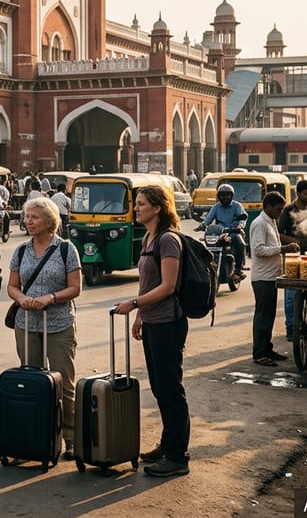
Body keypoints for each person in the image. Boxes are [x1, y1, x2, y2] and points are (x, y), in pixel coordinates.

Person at [112, 185, 189, 477]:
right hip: (154, 320)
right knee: (160, 388)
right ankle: (169, 445)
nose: (137, 208)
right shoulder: (149, 237)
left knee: (170, 389)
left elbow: (168, 286)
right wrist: (142, 314)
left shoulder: (168, 240)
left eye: (142, 204)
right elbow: (149, 284)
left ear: (158, 208)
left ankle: (178, 457)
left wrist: (133, 304)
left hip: (169, 323)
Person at [8, 197, 81, 460]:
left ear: (49, 221)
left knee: (64, 382)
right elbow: (12, 286)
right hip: (27, 323)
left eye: (34, 217)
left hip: (59, 323)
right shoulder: (20, 251)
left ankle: (71, 438)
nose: (28, 222)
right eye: (26, 217)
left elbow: (76, 288)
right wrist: (21, 299)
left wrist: (50, 298)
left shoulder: (66, 249)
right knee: (31, 381)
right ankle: (35, 435)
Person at [248, 192, 301, 366]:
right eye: (278, 209)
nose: (280, 213)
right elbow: (258, 250)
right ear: (268, 207)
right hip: (262, 277)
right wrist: (282, 248)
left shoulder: (271, 221)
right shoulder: (259, 223)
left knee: (269, 315)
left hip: (271, 276)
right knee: (263, 316)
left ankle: (267, 348)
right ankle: (259, 353)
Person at [278, 180, 307, 341]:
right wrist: (293, 240)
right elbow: (279, 234)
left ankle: (303, 324)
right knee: (291, 294)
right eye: (306, 194)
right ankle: (291, 328)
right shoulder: (288, 211)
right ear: (298, 193)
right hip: (292, 257)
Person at [202, 184, 247, 277]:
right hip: (220, 233)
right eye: (223, 195)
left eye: (227, 195)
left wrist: (240, 226)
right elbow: (208, 219)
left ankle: (238, 269)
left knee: (241, 244)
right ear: (219, 196)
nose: (225, 197)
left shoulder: (237, 206)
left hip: (233, 232)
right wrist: (203, 225)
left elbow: (243, 218)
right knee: (208, 247)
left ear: (231, 196)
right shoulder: (216, 207)